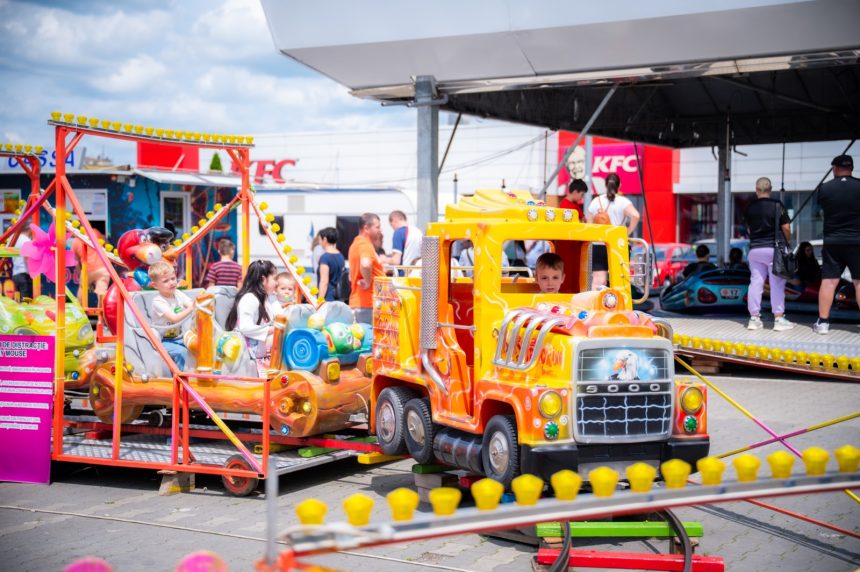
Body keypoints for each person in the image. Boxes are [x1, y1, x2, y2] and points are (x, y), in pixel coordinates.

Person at [814, 154, 860, 334]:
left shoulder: (825, 189)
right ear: (852, 168)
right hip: (857, 241)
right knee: (859, 282)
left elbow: (821, 211)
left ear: (834, 168)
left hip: (833, 241)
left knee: (829, 281)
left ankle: (823, 323)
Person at [743, 176, 794, 331]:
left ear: (757, 190)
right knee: (777, 283)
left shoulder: (749, 207)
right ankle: (778, 319)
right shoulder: (778, 205)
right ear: (770, 190)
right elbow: (786, 227)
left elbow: (749, 229)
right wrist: (787, 242)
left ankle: (754, 318)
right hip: (774, 249)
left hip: (755, 250)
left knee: (756, 282)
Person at [586, 173, 641, 287]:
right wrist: (627, 233)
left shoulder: (596, 201)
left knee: (598, 278)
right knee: (619, 278)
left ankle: (597, 302)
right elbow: (635, 216)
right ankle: (617, 302)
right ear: (619, 185)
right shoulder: (623, 202)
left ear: (605, 185)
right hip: (617, 244)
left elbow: (589, 223)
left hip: (599, 244)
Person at [226, 260, 278, 362]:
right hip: (246, 357)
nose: (276, 283)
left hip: (258, 355)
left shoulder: (263, 300)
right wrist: (273, 329)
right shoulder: (249, 299)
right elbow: (245, 327)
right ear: (263, 279)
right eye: (274, 278)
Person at [148, 261, 194, 370]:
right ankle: (182, 381)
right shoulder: (158, 301)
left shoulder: (177, 293)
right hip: (163, 341)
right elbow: (174, 318)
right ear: (155, 285)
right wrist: (192, 308)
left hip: (179, 337)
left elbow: (191, 304)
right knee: (181, 352)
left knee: (197, 346)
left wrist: (199, 304)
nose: (172, 282)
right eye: (166, 281)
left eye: (173, 278)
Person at [348, 213, 386, 323]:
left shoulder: (357, 243)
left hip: (364, 303)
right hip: (368, 303)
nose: (380, 230)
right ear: (366, 228)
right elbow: (365, 264)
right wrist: (369, 281)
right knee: (370, 338)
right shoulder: (364, 244)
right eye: (377, 227)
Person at [389, 210, 423, 276]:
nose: (393, 228)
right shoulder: (418, 232)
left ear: (394, 220)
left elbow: (396, 261)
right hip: (418, 274)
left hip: (404, 276)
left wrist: (384, 259)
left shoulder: (399, 232)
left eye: (391, 225)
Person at [316, 227, 345, 302]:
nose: (319, 242)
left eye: (320, 239)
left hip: (328, 297)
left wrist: (319, 300)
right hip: (338, 297)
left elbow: (324, 282)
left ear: (325, 239)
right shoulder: (340, 256)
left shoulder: (325, 258)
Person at [11, 227, 32, 301]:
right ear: (30, 229)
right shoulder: (26, 240)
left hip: (15, 273)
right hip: (24, 274)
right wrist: (32, 272)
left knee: (18, 299)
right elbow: (27, 257)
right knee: (26, 300)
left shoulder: (14, 239)